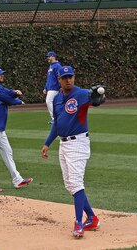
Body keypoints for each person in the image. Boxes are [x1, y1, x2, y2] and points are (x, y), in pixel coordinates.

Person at [41, 66, 105, 238]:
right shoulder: (56, 99)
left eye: (71, 77)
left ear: (74, 78)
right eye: (65, 77)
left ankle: (78, 223)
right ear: (59, 80)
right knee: (70, 185)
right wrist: (47, 143)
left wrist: (99, 96)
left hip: (79, 143)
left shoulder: (82, 94)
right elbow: (56, 123)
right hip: (64, 145)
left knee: (76, 183)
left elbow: (97, 101)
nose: (68, 80)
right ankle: (92, 217)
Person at [0, 67, 32, 193]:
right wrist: (19, 100)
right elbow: (9, 99)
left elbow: (3, 91)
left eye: (2, 74)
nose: (2, 76)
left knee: (8, 152)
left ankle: (17, 179)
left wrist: (14, 92)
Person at [44, 51, 62, 124]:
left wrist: (60, 86)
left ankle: (54, 118)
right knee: (55, 103)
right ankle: (58, 118)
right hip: (51, 88)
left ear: (53, 56)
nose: (48, 58)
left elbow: (59, 77)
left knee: (48, 101)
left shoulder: (57, 66)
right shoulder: (51, 66)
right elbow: (49, 78)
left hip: (55, 88)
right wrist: (46, 87)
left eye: (49, 56)